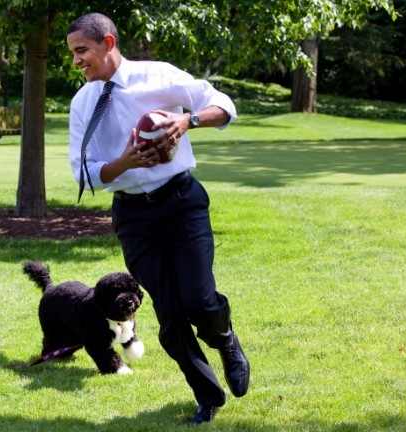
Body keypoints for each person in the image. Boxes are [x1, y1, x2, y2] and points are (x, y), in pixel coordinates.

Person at [66, 13, 250, 425]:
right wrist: (123, 163)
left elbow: (225, 105)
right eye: (73, 54)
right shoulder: (82, 104)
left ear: (108, 43)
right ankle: (207, 396)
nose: (77, 61)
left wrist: (188, 120)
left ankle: (226, 340)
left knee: (199, 301)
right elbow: (83, 172)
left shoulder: (158, 76)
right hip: (133, 217)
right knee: (168, 314)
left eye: (82, 51)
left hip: (181, 202)